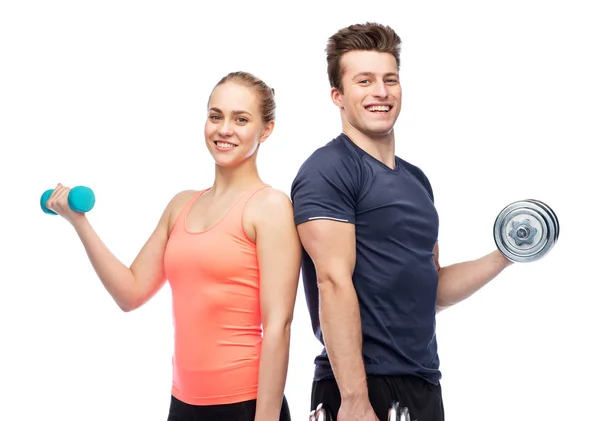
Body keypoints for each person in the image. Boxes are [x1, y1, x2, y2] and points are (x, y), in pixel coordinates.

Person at [46, 71, 301, 421]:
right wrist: (80, 223)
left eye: (241, 119)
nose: (224, 129)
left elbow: (279, 325)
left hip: (245, 404)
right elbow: (130, 293)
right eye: (216, 116)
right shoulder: (181, 205)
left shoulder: (270, 207)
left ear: (266, 129)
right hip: (183, 402)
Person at [290, 22, 513, 421]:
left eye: (389, 79)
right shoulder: (328, 170)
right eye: (364, 81)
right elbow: (332, 283)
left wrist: (505, 254)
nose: (381, 92)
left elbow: (431, 289)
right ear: (337, 96)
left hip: (423, 381)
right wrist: (355, 401)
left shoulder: (416, 180)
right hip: (361, 386)